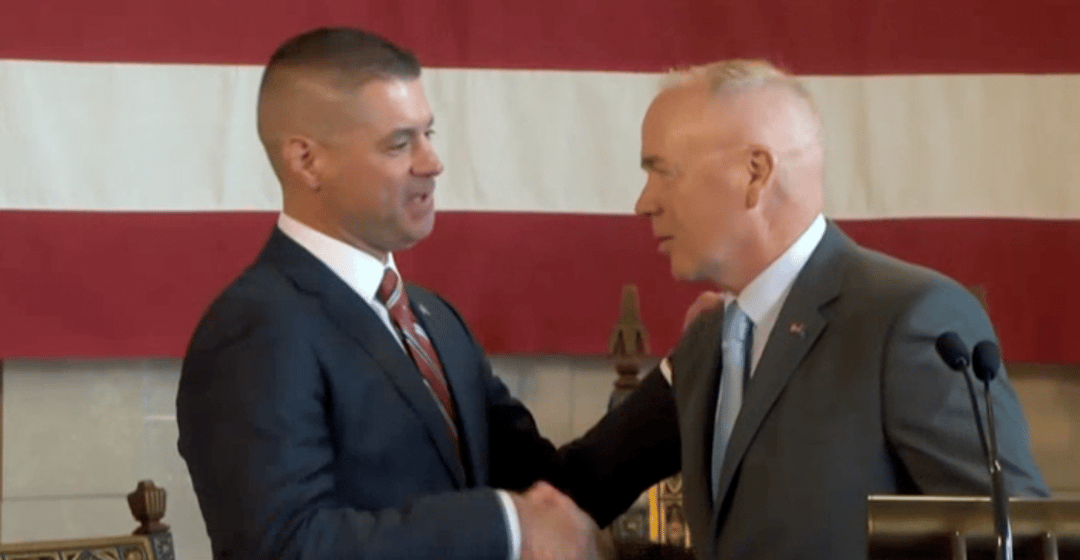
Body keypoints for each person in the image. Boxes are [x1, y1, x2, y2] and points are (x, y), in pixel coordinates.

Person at [175, 27, 677, 560]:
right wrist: (502, 526)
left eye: (428, 134)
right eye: (400, 143)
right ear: (306, 161)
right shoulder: (254, 327)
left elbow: (549, 491)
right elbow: (282, 546)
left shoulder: (435, 319)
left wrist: (683, 380)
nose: (431, 162)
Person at [623, 59, 1049, 559]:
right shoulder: (704, 342)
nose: (644, 202)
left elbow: (1013, 539)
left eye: (661, 172)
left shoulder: (908, 318)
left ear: (754, 172)